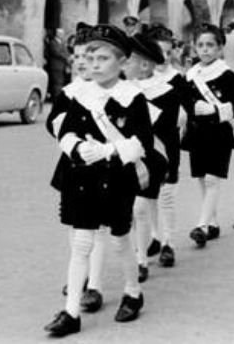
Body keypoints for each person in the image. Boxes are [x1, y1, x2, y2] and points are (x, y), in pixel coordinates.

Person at [45, 25, 153, 338]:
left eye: (103, 58)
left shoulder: (132, 98)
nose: (94, 64)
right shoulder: (82, 95)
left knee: (120, 239)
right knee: (81, 243)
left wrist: (106, 150)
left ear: (121, 63)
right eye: (91, 58)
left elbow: (141, 142)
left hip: (117, 177)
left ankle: (133, 292)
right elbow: (65, 131)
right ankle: (71, 312)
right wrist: (77, 148)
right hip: (83, 176)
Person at [46, 23, 108, 316]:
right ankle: (78, 275)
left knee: (98, 228)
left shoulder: (110, 91)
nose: (83, 61)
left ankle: (94, 285)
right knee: (75, 225)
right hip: (72, 167)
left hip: (104, 168)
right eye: (79, 56)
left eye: (90, 55)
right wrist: (70, 140)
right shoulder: (69, 93)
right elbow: (53, 124)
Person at [181, 23, 234, 248]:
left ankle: (202, 226)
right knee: (201, 179)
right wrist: (191, 107)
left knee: (212, 179)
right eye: (200, 45)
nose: (205, 50)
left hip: (218, 132)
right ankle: (213, 222)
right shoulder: (191, 75)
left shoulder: (227, 75)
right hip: (197, 133)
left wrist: (215, 110)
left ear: (219, 48)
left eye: (210, 45)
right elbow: (184, 100)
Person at [125, 33, 180, 282]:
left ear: (145, 65)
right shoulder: (126, 89)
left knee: (163, 199)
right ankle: (142, 255)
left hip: (160, 154)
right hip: (135, 155)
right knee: (139, 208)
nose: (126, 64)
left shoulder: (166, 90)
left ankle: (166, 242)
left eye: (131, 60)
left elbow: (165, 126)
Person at [45, 28, 70, 101]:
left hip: (62, 66)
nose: (63, 35)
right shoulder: (53, 42)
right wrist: (66, 57)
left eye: (63, 34)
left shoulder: (62, 43)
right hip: (56, 66)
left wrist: (68, 56)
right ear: (58, 34)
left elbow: (66, 51)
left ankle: (59, 98)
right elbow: (56, 52)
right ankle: (56, 99)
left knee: (61, 82)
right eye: (61, 34)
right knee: (57, 83)